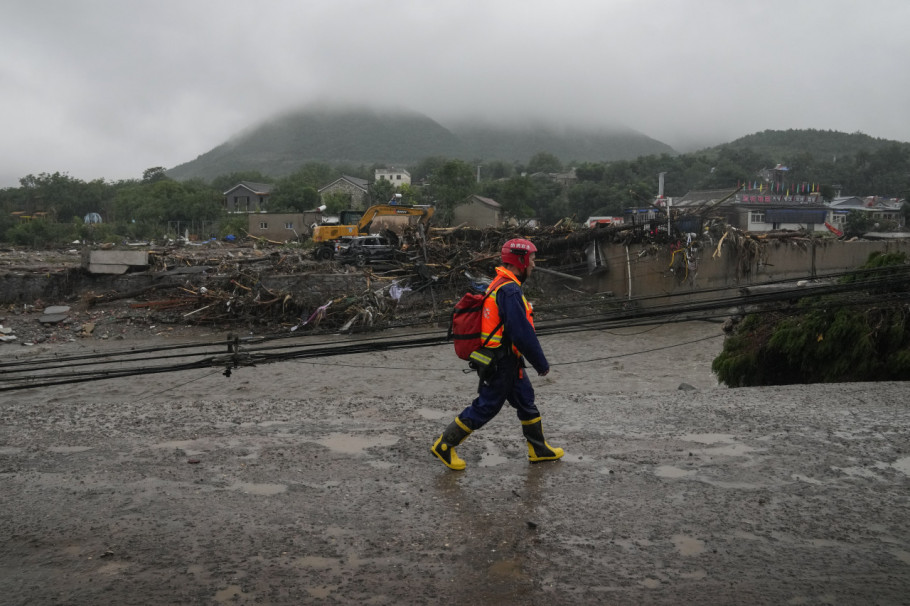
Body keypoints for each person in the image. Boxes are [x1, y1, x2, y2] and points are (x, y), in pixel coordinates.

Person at [431, 238, 564, 470]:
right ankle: (444, 445)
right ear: (520, 260)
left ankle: (539, 449)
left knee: (525, 400)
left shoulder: (501, 283)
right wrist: (541, 363)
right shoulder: (510, 290)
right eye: (531, 259)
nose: (534, 264)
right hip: (501, 362)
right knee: (487, 406)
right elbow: (521, 332)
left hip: (508, 360)